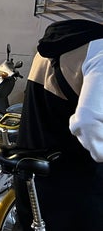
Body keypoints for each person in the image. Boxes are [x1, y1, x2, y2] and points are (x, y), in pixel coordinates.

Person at [15, 19, 103, 230]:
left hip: (30, 170)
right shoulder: (99, 51)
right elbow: (87, 120)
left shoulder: (55, 44)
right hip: (72, 184)